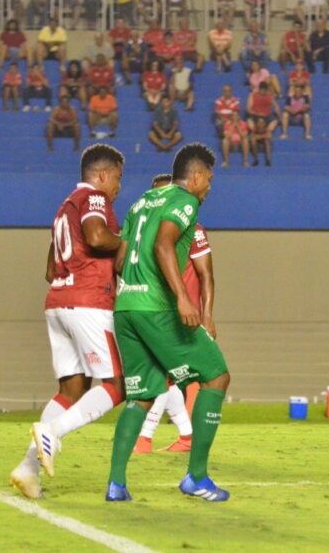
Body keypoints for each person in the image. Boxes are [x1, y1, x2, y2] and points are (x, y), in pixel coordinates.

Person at [106, 144, 231, 501]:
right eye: (208, 177)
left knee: (142, 395)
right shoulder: (185, 201)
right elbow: (163, 245)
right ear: (194, 176)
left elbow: (119, 260)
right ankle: (197, 477)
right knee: (217, 375)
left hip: (125, 307)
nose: (209, 185)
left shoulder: (143, 201)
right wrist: (181, 296)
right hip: (155, 307)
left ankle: (116, 484)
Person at [10, 144, 126, 499]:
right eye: (118, 179)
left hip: (58, 302)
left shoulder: (63, 208)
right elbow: (96, 236)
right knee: (116, 385)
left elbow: (49, 270)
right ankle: (53, 432)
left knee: (72, 390)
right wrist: (124, 244)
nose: (118, 187)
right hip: (88, 300)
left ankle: (29, 468)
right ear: (102, 175)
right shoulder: (94, 199)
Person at [133, 173, 211, 455]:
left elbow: (206, 274)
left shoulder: (192, 228)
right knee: (167, 377)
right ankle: (187, 436)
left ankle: (145, 438)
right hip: (155, 310)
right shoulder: (147, 229)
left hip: (180, 315)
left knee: (159, 375)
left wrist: (207, 315)